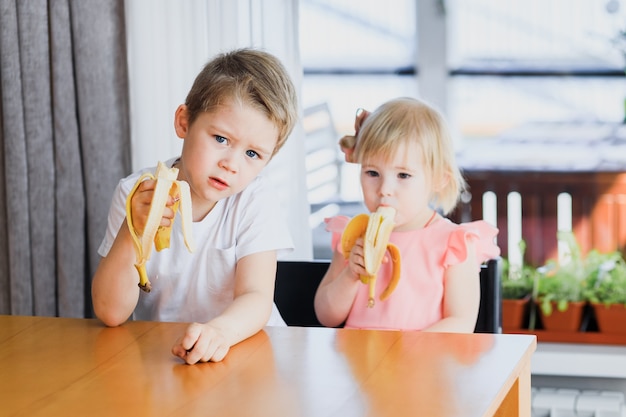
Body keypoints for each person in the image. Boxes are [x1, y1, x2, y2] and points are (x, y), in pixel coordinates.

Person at [91, 48, 299, 364]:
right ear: (184, 122)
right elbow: (110, 312)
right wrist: (131, 230)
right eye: (221, 139)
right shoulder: (135, 195)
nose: (231, 164)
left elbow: (256, 297)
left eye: (252, 154)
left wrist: (220, 333)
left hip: (245, 350)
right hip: (166, 357)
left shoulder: (255, 199)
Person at [314, 97, 500, 333]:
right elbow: (326, 316)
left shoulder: (453, 244)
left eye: (403, 176)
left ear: (438, 179)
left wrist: (405, 350)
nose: (384, 189)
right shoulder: (354, 237)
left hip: (422, 363)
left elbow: (461, 323)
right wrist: (350, 274)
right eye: (372, 172)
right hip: (357, 363)